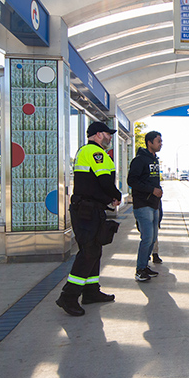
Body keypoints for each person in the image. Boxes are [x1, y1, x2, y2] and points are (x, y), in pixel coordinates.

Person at [56, 121, 122, 317]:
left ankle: (91, 291)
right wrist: (116, 195)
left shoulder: (88, 152)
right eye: (108, 134)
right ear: (99, 134)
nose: (110, 137)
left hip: (90, 209)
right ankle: (68, 296)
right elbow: (104, 180)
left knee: (95, 250)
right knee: (89, 252)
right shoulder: (95, 152)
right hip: (87, 210)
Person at [128, 131, 163, 282]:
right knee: (147, 238)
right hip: (143, 204)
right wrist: (151, 190)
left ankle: (145, 265)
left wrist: (158, 191)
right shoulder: (139, 160)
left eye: (161, 141)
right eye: (158, 141)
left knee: (153, 237)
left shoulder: (155, 160)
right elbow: (132, 181)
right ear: (149, 142)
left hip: (154, 204)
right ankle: (140, 270)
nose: (161, 144)